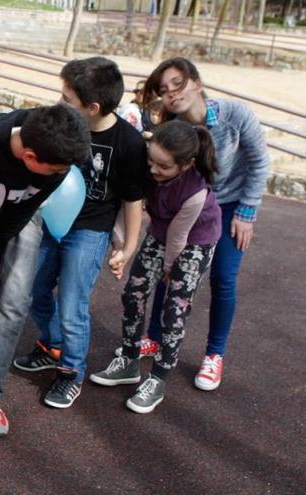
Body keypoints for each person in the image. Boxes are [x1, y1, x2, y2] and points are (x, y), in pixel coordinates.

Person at [14, 57, 149, 409]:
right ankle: (53, 343)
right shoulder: (60, 126)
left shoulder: (129, 144)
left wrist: (129, 246)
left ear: (92, 107)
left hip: (90, 230)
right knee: (34, 288)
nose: (59, 104)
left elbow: (133, 200)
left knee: (72, 304)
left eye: (67, 99)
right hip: (49, 222)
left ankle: (70, 372)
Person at [0, 104, 92, 434]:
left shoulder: (55, 168)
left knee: (13, 301)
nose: (62, 172)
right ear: (29, 156)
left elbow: (23, 212)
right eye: (57, 167)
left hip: (20, 219)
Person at [138, 57, 270, 391]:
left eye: (178, 84)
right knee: (169, 272)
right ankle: (154, 335)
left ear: (196, 82)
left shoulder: (234, 115)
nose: (172, 93)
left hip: (228, 207)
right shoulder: (171, 126)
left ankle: (214, 354)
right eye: (164, 90)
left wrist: (247, 212)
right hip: (186, 210)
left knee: (223, 278)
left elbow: (259, 161)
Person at [90, 120, 222, 413]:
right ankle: (129, 359)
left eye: (163, 166)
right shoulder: (147, 168)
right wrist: (122, 247)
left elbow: (179, 237)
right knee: (133, 293)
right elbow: (131, 204)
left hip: (194, 242)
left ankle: (158, 377)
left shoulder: (195, 190)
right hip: (160, 232)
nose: (153, 169)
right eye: (151, 160)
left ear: (186, 164)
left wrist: (169, 268)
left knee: (174, 310)